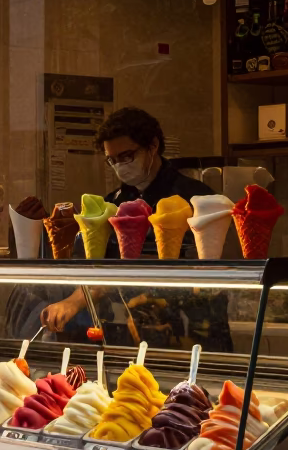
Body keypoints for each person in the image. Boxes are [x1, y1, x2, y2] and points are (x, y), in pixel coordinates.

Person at [40, 107, 214, 334]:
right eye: (112, 160)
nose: (120, 166)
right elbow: (101, 273)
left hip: (191, 327)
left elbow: (210, 274)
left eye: (126, 156)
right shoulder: (112, 204)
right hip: (130, 327)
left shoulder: (197, 199)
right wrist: (71, 302)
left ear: (153, 146)